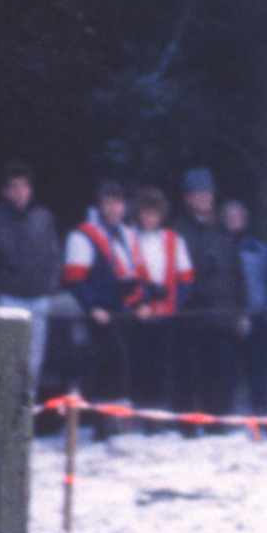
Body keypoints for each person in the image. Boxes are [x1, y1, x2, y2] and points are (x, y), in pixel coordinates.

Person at [0, 161, 62, 387]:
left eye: (24, 186)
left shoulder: (44, 218)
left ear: (30, 189)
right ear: (4, 190)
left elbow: (56, 256)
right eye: (14, 186)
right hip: (7, 301)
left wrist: (50, 286)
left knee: (33, 366)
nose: (19, 192)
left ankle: (25, 417)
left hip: (38, 301)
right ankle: (2, 418)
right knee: (6, 364)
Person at [62, 179, 141, 420]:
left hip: (125, 311)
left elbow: (137, 274)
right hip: (100, 312)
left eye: (118, 203)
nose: (113, 208)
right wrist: (92, 306)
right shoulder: (84, 234)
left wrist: (142, 301)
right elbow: (75, 278)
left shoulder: (128, 234)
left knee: (124, 364)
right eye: (108, 203)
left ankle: (117, 418)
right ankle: (105, 421)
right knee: (112, 364)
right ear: (99, 205)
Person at [124, 186, 193, 429]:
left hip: (166, 314)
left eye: (155, 214)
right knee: (138, 367)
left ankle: (157, 418)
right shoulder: (129, 238)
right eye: (146, 213)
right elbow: (125, 274)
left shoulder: (173, 240)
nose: (150, 218)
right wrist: (141, 298)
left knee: (162, 368)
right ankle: (139, 416)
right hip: (139, 314)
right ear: (139, 214)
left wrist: (176, 304)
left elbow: (186, 277)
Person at [184, 172, 248, 421]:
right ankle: (190, 423)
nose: (204, 198)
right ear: (188, 197)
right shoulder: (180, 230)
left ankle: (217, 420)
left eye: (208, 193)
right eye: (198, 193)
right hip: (193, 316)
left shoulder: (224, 233)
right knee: (191, 373)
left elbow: (238, 275)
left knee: (221, 372)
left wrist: (242, 311)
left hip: (224, 316)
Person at [227, 199, 267, 413]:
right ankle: (223, 409)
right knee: (226, 365)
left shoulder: (257, 248)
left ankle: (260, 405)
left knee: (256, 364)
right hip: (226, 316)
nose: (234, 221)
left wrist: (265, 309)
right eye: (230, 217)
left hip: (255, 315)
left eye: (239, 217)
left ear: (246, 221)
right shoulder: (218, 244)